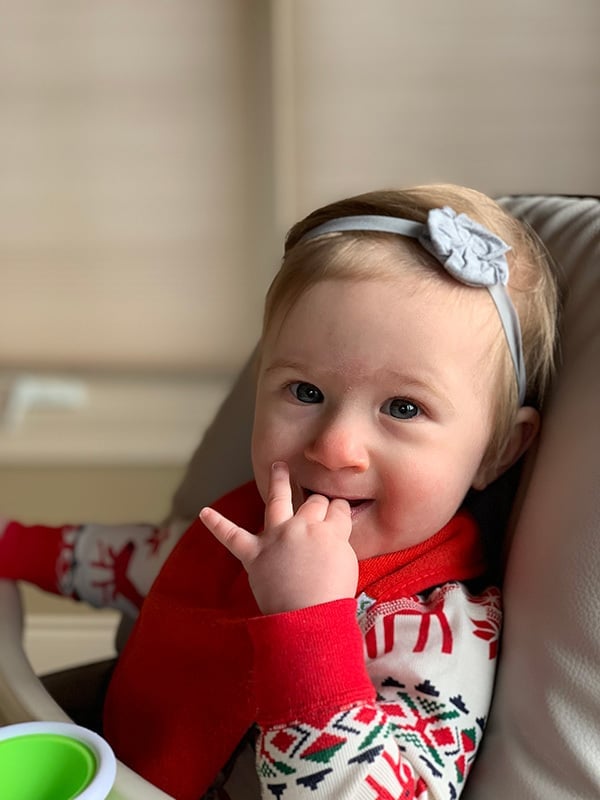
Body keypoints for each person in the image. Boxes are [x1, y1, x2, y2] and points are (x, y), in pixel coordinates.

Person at [0, 184, 560, 799]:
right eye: (305, 392)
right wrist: (16, 547)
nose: (334, 446)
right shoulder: (247, 524)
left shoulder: (435, 630)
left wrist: (308, 622)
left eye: (403, 407)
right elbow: (147, 562)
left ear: (498, 450)